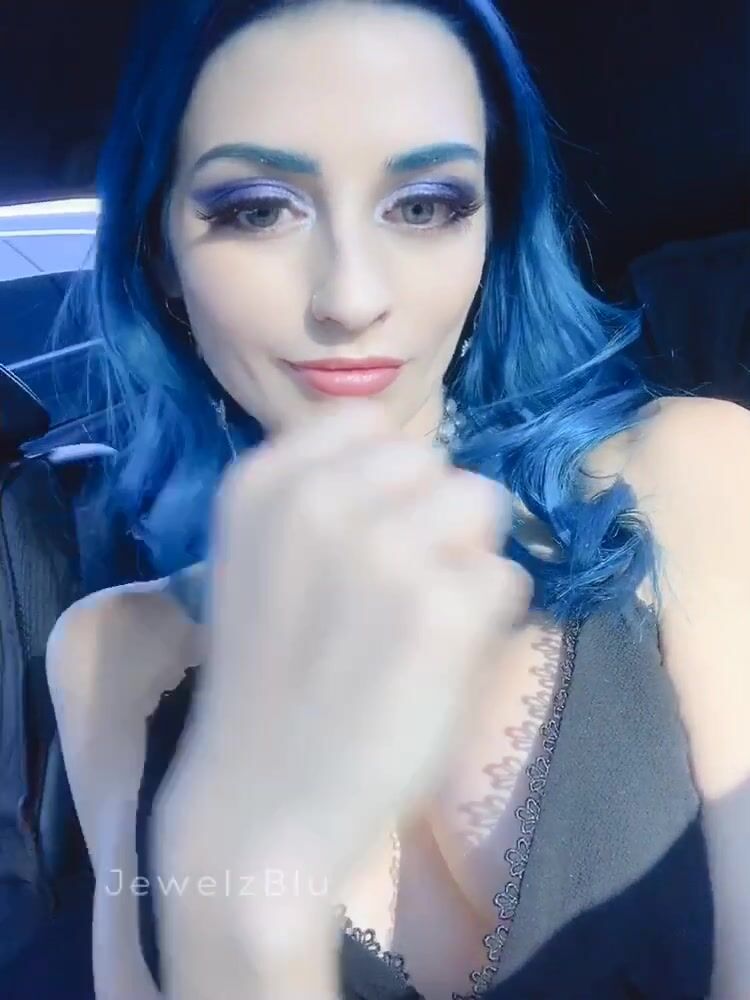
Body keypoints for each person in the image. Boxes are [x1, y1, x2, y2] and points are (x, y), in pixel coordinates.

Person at [45, 0, 750, 997]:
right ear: (159, 247)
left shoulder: (692, 474)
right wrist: (241, 879)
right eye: (257, 208)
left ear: (492, 228)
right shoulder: (109, 650)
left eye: (423, 204)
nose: (351, 297)